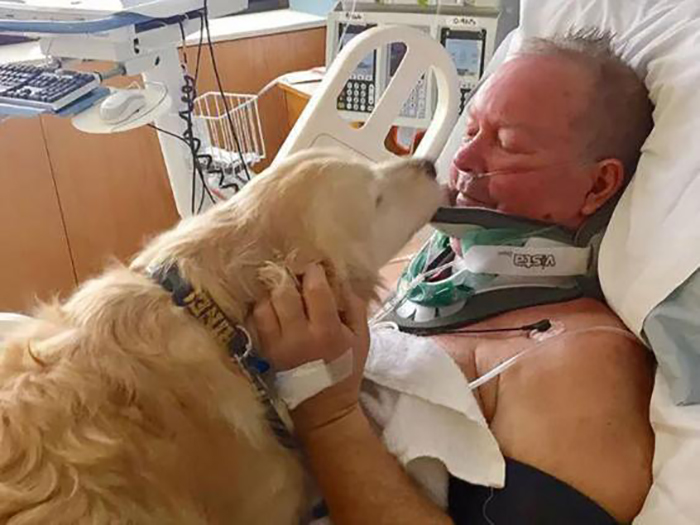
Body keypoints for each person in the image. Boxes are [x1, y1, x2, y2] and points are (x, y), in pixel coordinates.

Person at [253, 31, 656, 525]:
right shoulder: (415, 259)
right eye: (471, 133)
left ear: (598, 184)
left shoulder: (581, 363)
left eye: (507, 144)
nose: (462, 160)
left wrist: (326, 412)